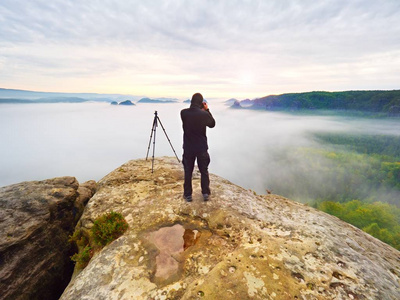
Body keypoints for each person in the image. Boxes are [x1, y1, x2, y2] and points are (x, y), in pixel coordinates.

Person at [181, 93, 216, 202]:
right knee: (204, 170)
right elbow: (212, 124)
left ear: (191, 101)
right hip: (201, 147)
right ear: (201, 103)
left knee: (188, 171)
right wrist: (207, 110)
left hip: (188, 147)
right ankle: (205, 192)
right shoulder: (204, 114)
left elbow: (192, 114)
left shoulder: (183, 113)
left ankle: (188, 195)